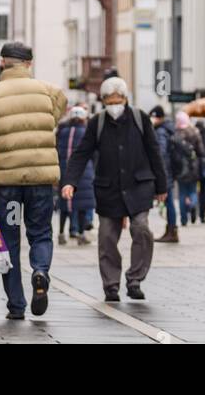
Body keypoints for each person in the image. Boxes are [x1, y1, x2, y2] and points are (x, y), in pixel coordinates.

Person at [0, 42, 67, 320]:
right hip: (41, 181)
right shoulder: (49, 93)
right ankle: (41, 270)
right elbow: (59, 108)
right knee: (41, 232)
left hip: (6, 184)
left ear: (2, 63)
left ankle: (17, 305)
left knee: (9, 242)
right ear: (29, 64)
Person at [62, 77, 166, 302]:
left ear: (126, 99)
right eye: (109, 101)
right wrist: (70, 181)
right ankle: (111, 284)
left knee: (141, 229)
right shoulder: (97, 123)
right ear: (103, 101)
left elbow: (154, 151)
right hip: (108, 189)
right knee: (107, 236)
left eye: (117, 100)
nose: (114, 105)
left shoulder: (140, 119)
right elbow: (81, 154)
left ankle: (135, 278)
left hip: (139, 186)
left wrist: (162, 186)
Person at [55, 105, 94, 244]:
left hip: (65, 170)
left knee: (65, 203)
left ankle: (61, 233)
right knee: (83, 204)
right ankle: (81, 233)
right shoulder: (86, 131)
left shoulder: (62, 131)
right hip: (84, 171)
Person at [150, 107, 179, 242]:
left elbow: (159, 152)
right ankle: (171, 229)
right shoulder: (167, 129)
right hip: (168, 169)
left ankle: (172, 230)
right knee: (169, 202)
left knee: (168, 202)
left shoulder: (161, 131)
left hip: (163, 170)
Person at [171, 112, 203, 226]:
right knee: (193, 191)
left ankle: (184, 219)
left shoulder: (175, 135)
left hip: (180, 169)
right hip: (193, 167)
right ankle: (192, 205)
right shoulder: (194, 132)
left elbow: (172, 154)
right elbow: (201, 152)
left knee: (182, 194)